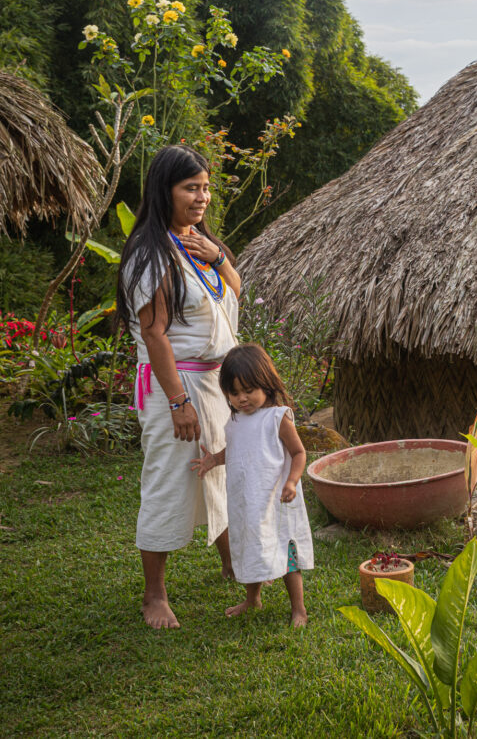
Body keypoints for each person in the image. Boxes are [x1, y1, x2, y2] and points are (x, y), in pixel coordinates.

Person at [116, 144, 241, 630]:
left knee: (219, 473)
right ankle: (154, 595)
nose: (202, 196)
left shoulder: (198, 245)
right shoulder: (151, 253)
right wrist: (178, 402)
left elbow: (234, 292)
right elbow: (154, 333)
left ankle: (232, 562)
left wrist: (220, 257)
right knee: (170, 481)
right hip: (177, 384)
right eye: (191, 187)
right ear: (164, 190)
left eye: (206, 187)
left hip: (212, 383)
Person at [191, 343, 314, 628]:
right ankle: (252, 598)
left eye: (248, 390)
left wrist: (292, 481)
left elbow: (298, 453)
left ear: (266, 385)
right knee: (251, 547)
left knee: (285, 552)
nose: (242, 398)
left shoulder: (277, 417)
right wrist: (214, 460)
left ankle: (299, 608)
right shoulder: (234, 422)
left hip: (277, 498)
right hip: (247, 501)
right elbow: (236, 451)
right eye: (234, 393)